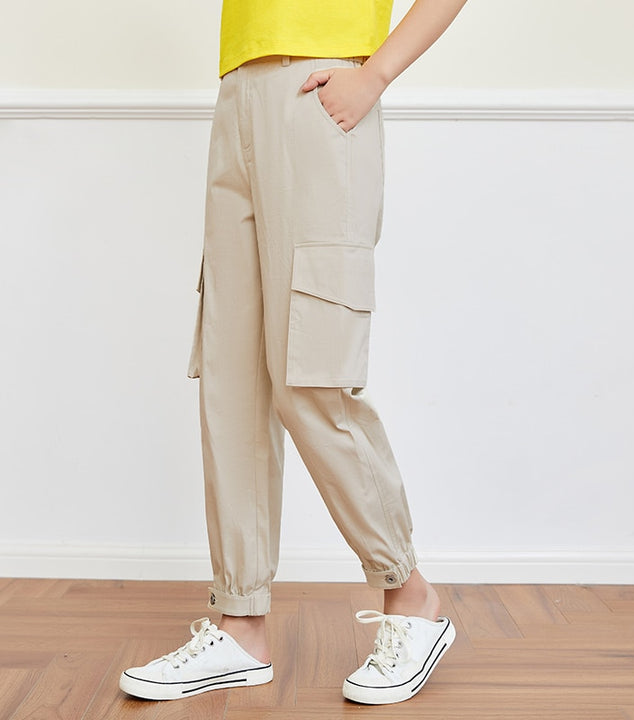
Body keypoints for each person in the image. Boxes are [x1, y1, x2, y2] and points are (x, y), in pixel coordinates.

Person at [120, 0, 467, 706]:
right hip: (238, 88)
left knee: (312, 373)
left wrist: (376, 75)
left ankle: (410, 592)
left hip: (323, 93)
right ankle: (240, 622)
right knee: (232, 377)